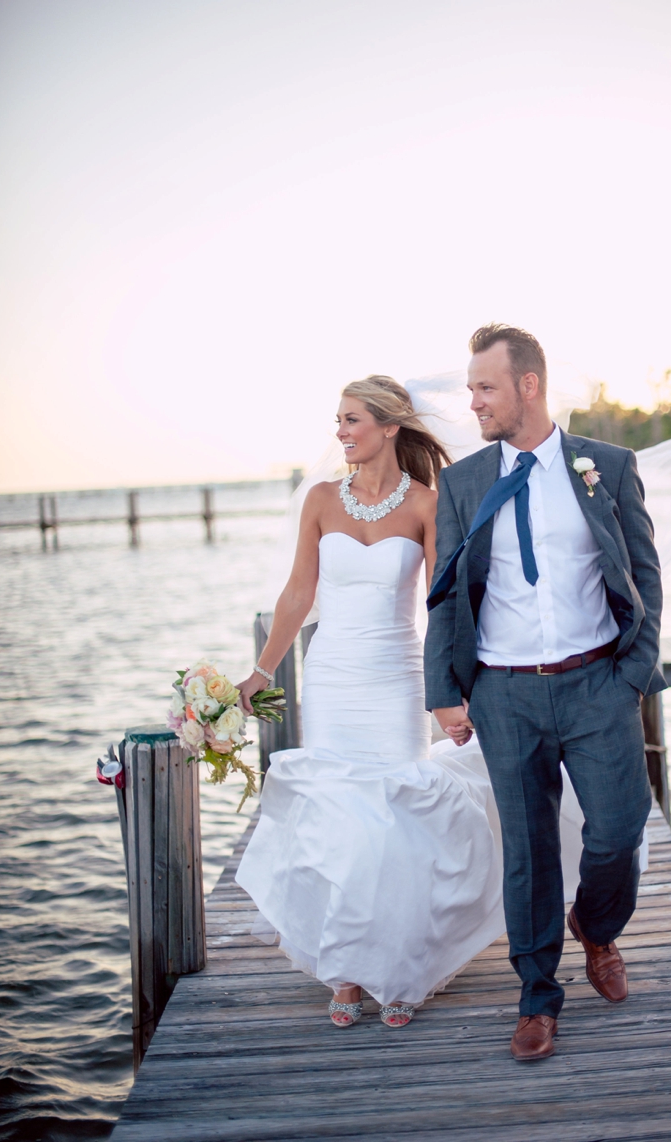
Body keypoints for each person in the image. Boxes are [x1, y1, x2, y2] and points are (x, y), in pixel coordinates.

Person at [234, 375, 506, 1029]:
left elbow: (445, 606)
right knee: (339, 820)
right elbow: (299, 592)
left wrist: (451, 693)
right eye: (338, 420)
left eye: (351, 419)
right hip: (330, 678)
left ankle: (405, 966)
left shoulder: (428, 504)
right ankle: (348, 970)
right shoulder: (322, 500)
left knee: (395, 821)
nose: (340, 432)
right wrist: (263, 669)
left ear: (388, 428)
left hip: (394, 678)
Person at [425, 323, 665, 1062]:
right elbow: (445, 596)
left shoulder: (607, 466)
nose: (474, 402)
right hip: (505, 694)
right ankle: (537, 998)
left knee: (620, 829)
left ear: (528, 385)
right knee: (527, 852)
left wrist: (632, 673)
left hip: (598, 683)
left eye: (485, 387)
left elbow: (645, 577)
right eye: (470, 388)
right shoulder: (464, 482)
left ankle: (597, 927)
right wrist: (446, 691)